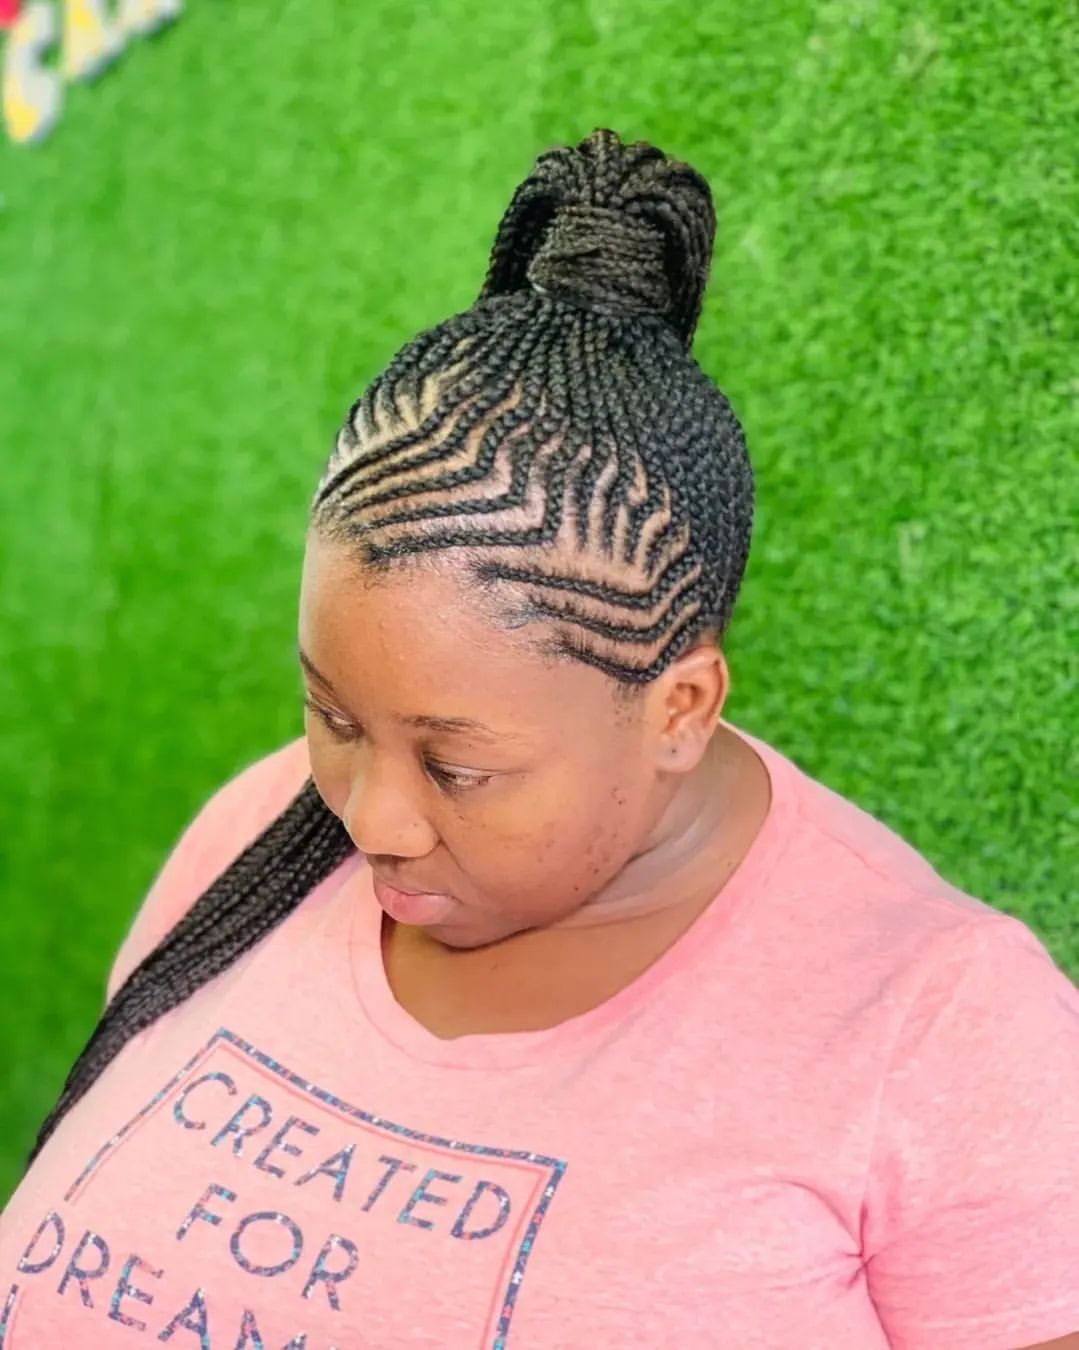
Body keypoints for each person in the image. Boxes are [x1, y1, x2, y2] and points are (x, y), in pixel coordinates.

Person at [1, 127, 1076, 1350]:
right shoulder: (259, 833)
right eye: (333, 716)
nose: (369, 819)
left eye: (458, 767)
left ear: (680, 709)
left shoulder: (941, 1025)